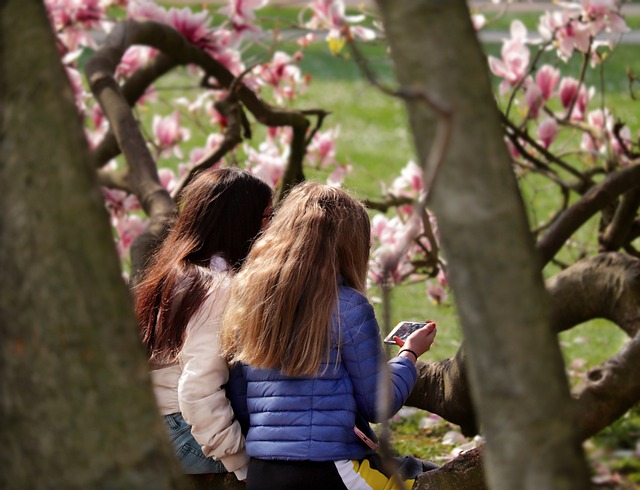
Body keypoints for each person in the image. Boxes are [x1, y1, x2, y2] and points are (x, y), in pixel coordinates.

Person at [220, 182, 438, 489]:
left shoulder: (251, 303)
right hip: (328, 470)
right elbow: (377, 404)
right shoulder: (348, 307)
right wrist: (409, 355)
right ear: (350, 248)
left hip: (263, 472)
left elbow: (242, 401)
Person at [134, 167, 273, 480]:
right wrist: (241, 462)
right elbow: (198, 389)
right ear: (241, 221)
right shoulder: (216, 288)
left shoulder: (178, 270)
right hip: (182, 431)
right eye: (267, 215)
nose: (273, 226)